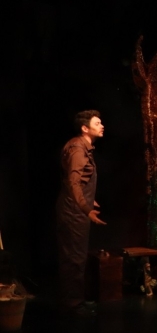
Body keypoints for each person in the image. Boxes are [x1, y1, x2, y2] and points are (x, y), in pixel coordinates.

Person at [55, 110, 106, 314]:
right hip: (73, 211)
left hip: (76, 208)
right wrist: (86, 208)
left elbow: (81, 181)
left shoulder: (84, 147)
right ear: (85, 128)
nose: (102, 126)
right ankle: (73, 304)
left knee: (77, 256)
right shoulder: (77, 149)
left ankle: (76, 300)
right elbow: (73, 182)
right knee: (74, 258)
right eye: (97, 123)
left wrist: (89, 199)